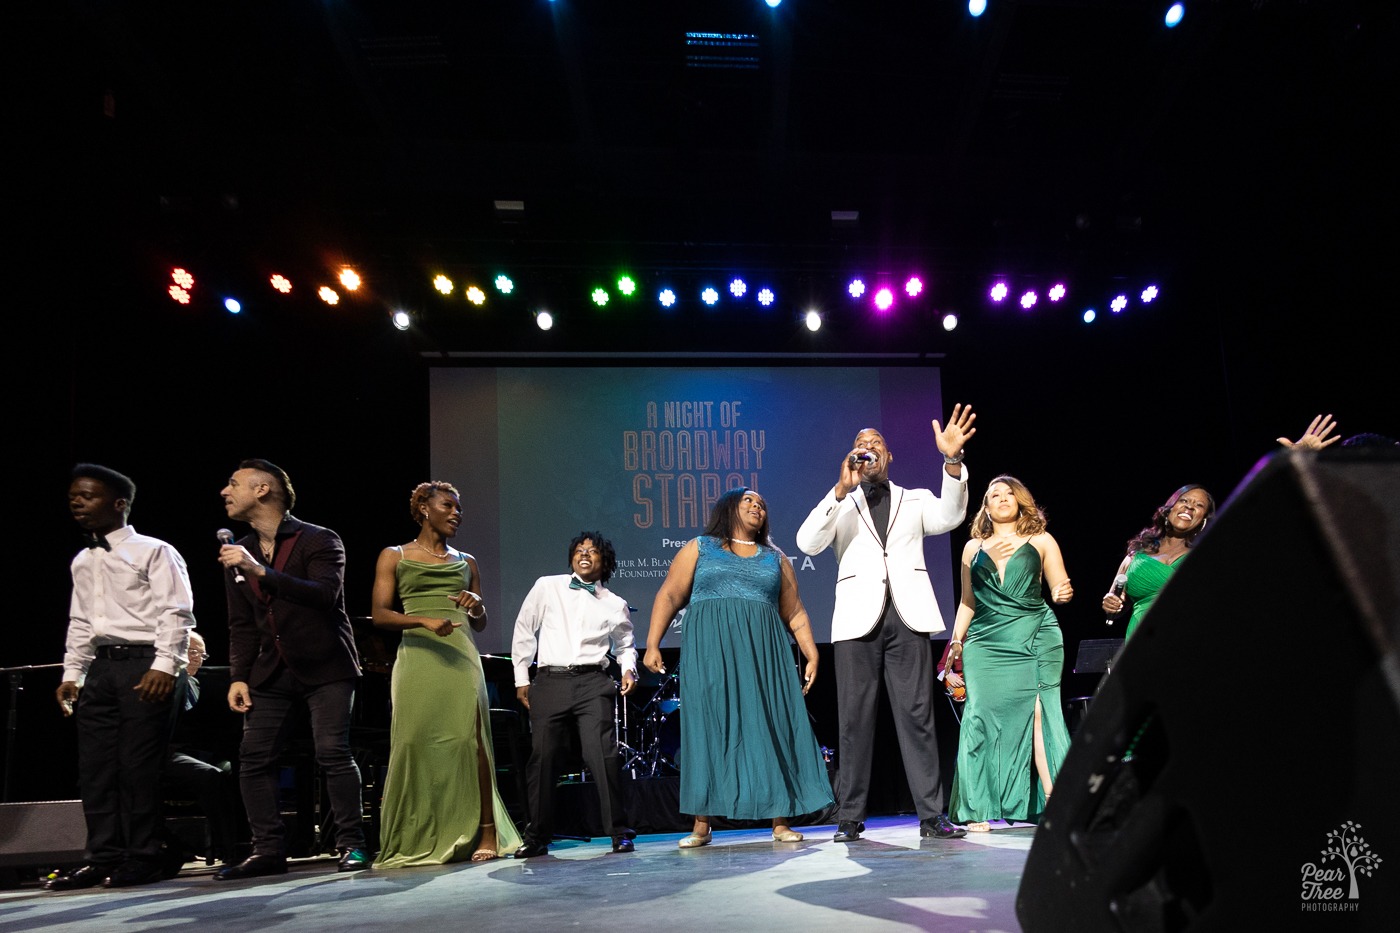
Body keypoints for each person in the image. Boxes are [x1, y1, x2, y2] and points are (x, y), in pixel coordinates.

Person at [795, 406, 977, 842]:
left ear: (889, 456)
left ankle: (932, 816)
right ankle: (850, 815)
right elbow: (807, 543)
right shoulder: (842, 502)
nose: (869, 448)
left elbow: (950, 516)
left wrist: (951, 463)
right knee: (854, 718)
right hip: (857, 620)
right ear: (852, 457)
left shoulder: (915, 499)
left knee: (917, 716)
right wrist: (839, 491)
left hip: (908, 616)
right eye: (862, 444)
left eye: (876, 444)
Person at [644, 488, 832, 847]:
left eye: (761, 503)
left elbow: (794, 612)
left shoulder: (775, 559)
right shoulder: (700, 547)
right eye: (748, 500)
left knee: (770, 725)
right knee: (706, 726)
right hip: (710, 652)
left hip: (764, 653)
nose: (756, 506)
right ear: (728, 508)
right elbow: (669, 594)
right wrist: (652, 642)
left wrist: (812, 653)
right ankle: (701, 824)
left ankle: (779, 820)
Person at [215, 459, 369, 879]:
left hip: (326, 664)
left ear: (263, 489)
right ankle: (267, 849)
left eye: (233, 483)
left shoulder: (318, 538)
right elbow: (241, 623)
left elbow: (324, 594)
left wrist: (259, 570)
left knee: (331, 751)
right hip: (270, 670)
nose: (225, 491)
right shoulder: (240, 550)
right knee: (254, 758)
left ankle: (351, 845)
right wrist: (239, 676)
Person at [49, 464, 194, 890]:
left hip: (145, 663)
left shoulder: (153, 550)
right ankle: (102, 856)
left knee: (137, 767)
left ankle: (144, 854)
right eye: (73, 496)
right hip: (102, 668)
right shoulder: (83, 559)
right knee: (95, 768)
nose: (77, 503)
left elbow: (176, 611)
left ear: (119, 504)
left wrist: (164, 666)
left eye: (88, 496)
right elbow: (80, 621)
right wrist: (72, 672)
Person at [370, 481, 521, 866]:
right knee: (414, 741)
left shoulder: (466, 561)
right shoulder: (394, 555)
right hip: (418, 658)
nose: (457, 514)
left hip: (460, 657)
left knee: (471, 742)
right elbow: (381, 614)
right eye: (448, 506)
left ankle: (486, 831)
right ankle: (417, 833)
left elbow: (482, 623)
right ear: (423, 508)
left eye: (460, 508)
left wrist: (475, 607)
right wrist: (422, 621)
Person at [946, 476, 1073, 831]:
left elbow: (1059, 586)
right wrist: (956, 641)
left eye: (1008, 494)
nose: (1002, 499)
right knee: (979, 717)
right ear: (985, 507)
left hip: (1035, 634)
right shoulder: (973, 548)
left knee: (1040, 713)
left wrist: (1063, 592)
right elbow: (967, 602)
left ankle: (1055, 800)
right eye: (993, 495)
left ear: (1020, 501)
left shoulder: (1041, 540)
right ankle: (977, 807)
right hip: (986, 642)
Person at [511, 532, 638, 858]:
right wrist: (521, 676)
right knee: (543, 758)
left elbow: (625, 645)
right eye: (580, 550)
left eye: (593, 552)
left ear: (604, 562)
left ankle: (619, 832)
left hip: (592, 682)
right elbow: (524, 628)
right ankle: (536, 836)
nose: (585, 555)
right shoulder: (547, 586)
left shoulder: (614, 603)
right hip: (550, 680)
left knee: (603, 755)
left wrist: (628, 669)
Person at [160, 630, 239, 871]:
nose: (196, 658)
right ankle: (229, 848)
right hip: (162, 752)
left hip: (188, 750)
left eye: (201, 654)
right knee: (209, 776)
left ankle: (236, 846)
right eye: (190, 651)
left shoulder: (194, 683)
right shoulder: (169, 681)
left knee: (233, 770)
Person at [1100, 484, 1215, 638]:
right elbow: (1117, 604)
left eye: (1199, 505)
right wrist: (1111, 604)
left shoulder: (1203, 559)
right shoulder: (1136, 556)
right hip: (1141, 639)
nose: (1190, 507)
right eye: (1184, 501)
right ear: (1168, 510)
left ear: (1204, 521)